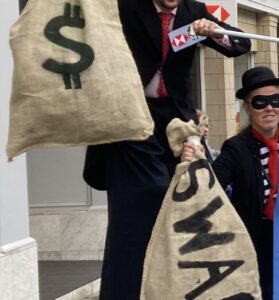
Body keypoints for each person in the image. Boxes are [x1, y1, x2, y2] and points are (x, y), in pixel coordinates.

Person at [82, 0, 251, 298]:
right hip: (131, 117)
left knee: (179, 209)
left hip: (174, 124)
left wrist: (213, 33)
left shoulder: (193, 11)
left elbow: (241, 44)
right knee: (143, 206)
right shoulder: (126, 6)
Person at [183, 66, 279, 296]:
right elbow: (210, 186)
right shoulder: (236, 148)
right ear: (248, 107)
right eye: (260, 102)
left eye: (275, 101)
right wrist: (192, 162)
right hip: (254, 241)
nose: (269, 108)